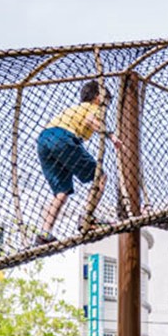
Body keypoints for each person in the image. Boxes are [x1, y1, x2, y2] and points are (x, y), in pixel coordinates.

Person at [35, 80, 120, 245]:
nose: (106, 107)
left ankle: (44, 233)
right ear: (97, 97)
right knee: (101, 177)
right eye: (106, 102)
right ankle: (86, 218)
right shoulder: (94, 107)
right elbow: (90, 120)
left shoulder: (74, 109)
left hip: (44, 139)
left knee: (62, 191)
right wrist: (112, 136)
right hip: (63, 138)